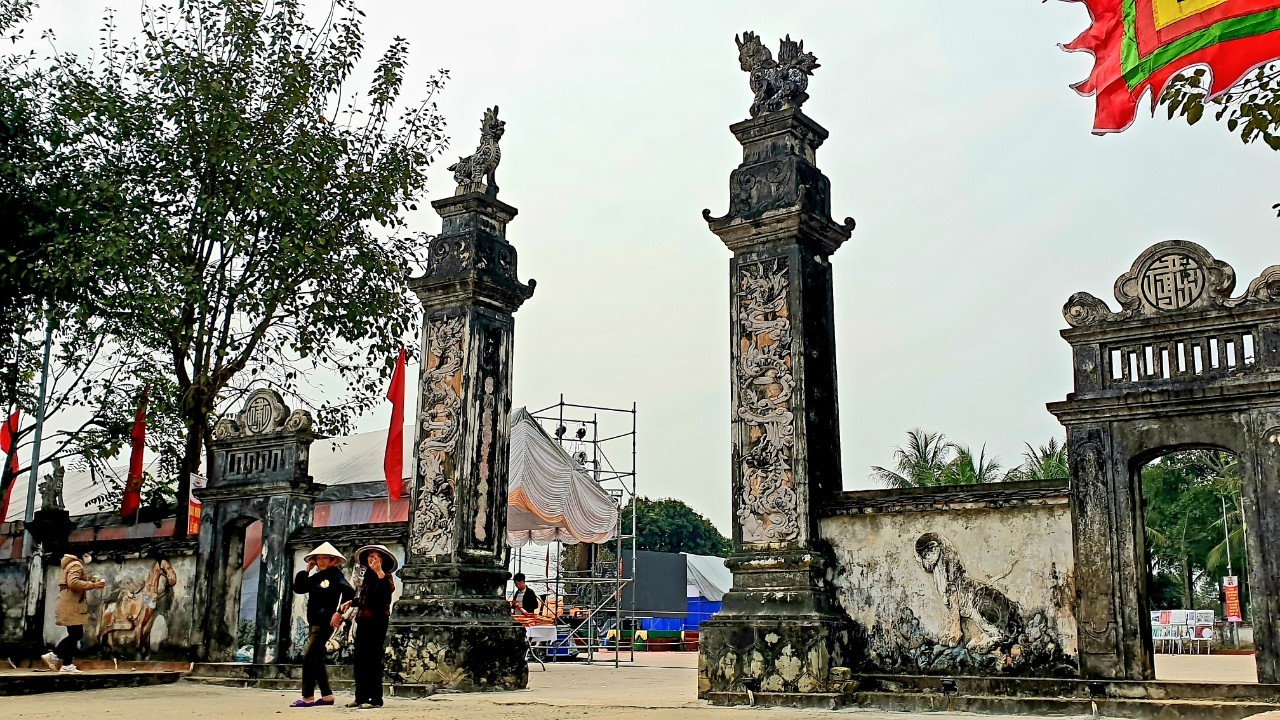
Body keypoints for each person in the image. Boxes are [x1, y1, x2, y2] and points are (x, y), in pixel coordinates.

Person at [291, 542, 354, 708]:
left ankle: (307, 697)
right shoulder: (316, 577)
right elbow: (299, 588)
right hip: (314, 621)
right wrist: (307, 570)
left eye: (325, 558)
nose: (321, 561)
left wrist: (339, 612)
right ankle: (327, 695)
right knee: (317, 658)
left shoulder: (335, 575)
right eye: (318, 558)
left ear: (332, 560)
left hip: (325, 621)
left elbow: (349, 592)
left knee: (309, 658)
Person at [340, 545, 397, 709]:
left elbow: (386, 592)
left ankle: (375, 699)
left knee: (373, 659)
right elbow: (364, 597)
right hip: (363, 620)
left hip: (378, 621)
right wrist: (351, 602)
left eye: (376, 557)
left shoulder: (385, 577)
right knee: (360, 659)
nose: (373, 559)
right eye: (370, 556)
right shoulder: (368, 577)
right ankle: (360, 697)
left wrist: (379, 571)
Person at [42, 552, 106, 673]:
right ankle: (54, 656)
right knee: (76, 634)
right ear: (82, 555)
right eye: (87, 554)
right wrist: (93, 585)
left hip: (69, 603)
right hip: (72, 605)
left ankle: (66, 664)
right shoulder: (76, 564)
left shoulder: (70, 564)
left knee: (75, 634)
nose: (89, 557)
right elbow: (73, 582)